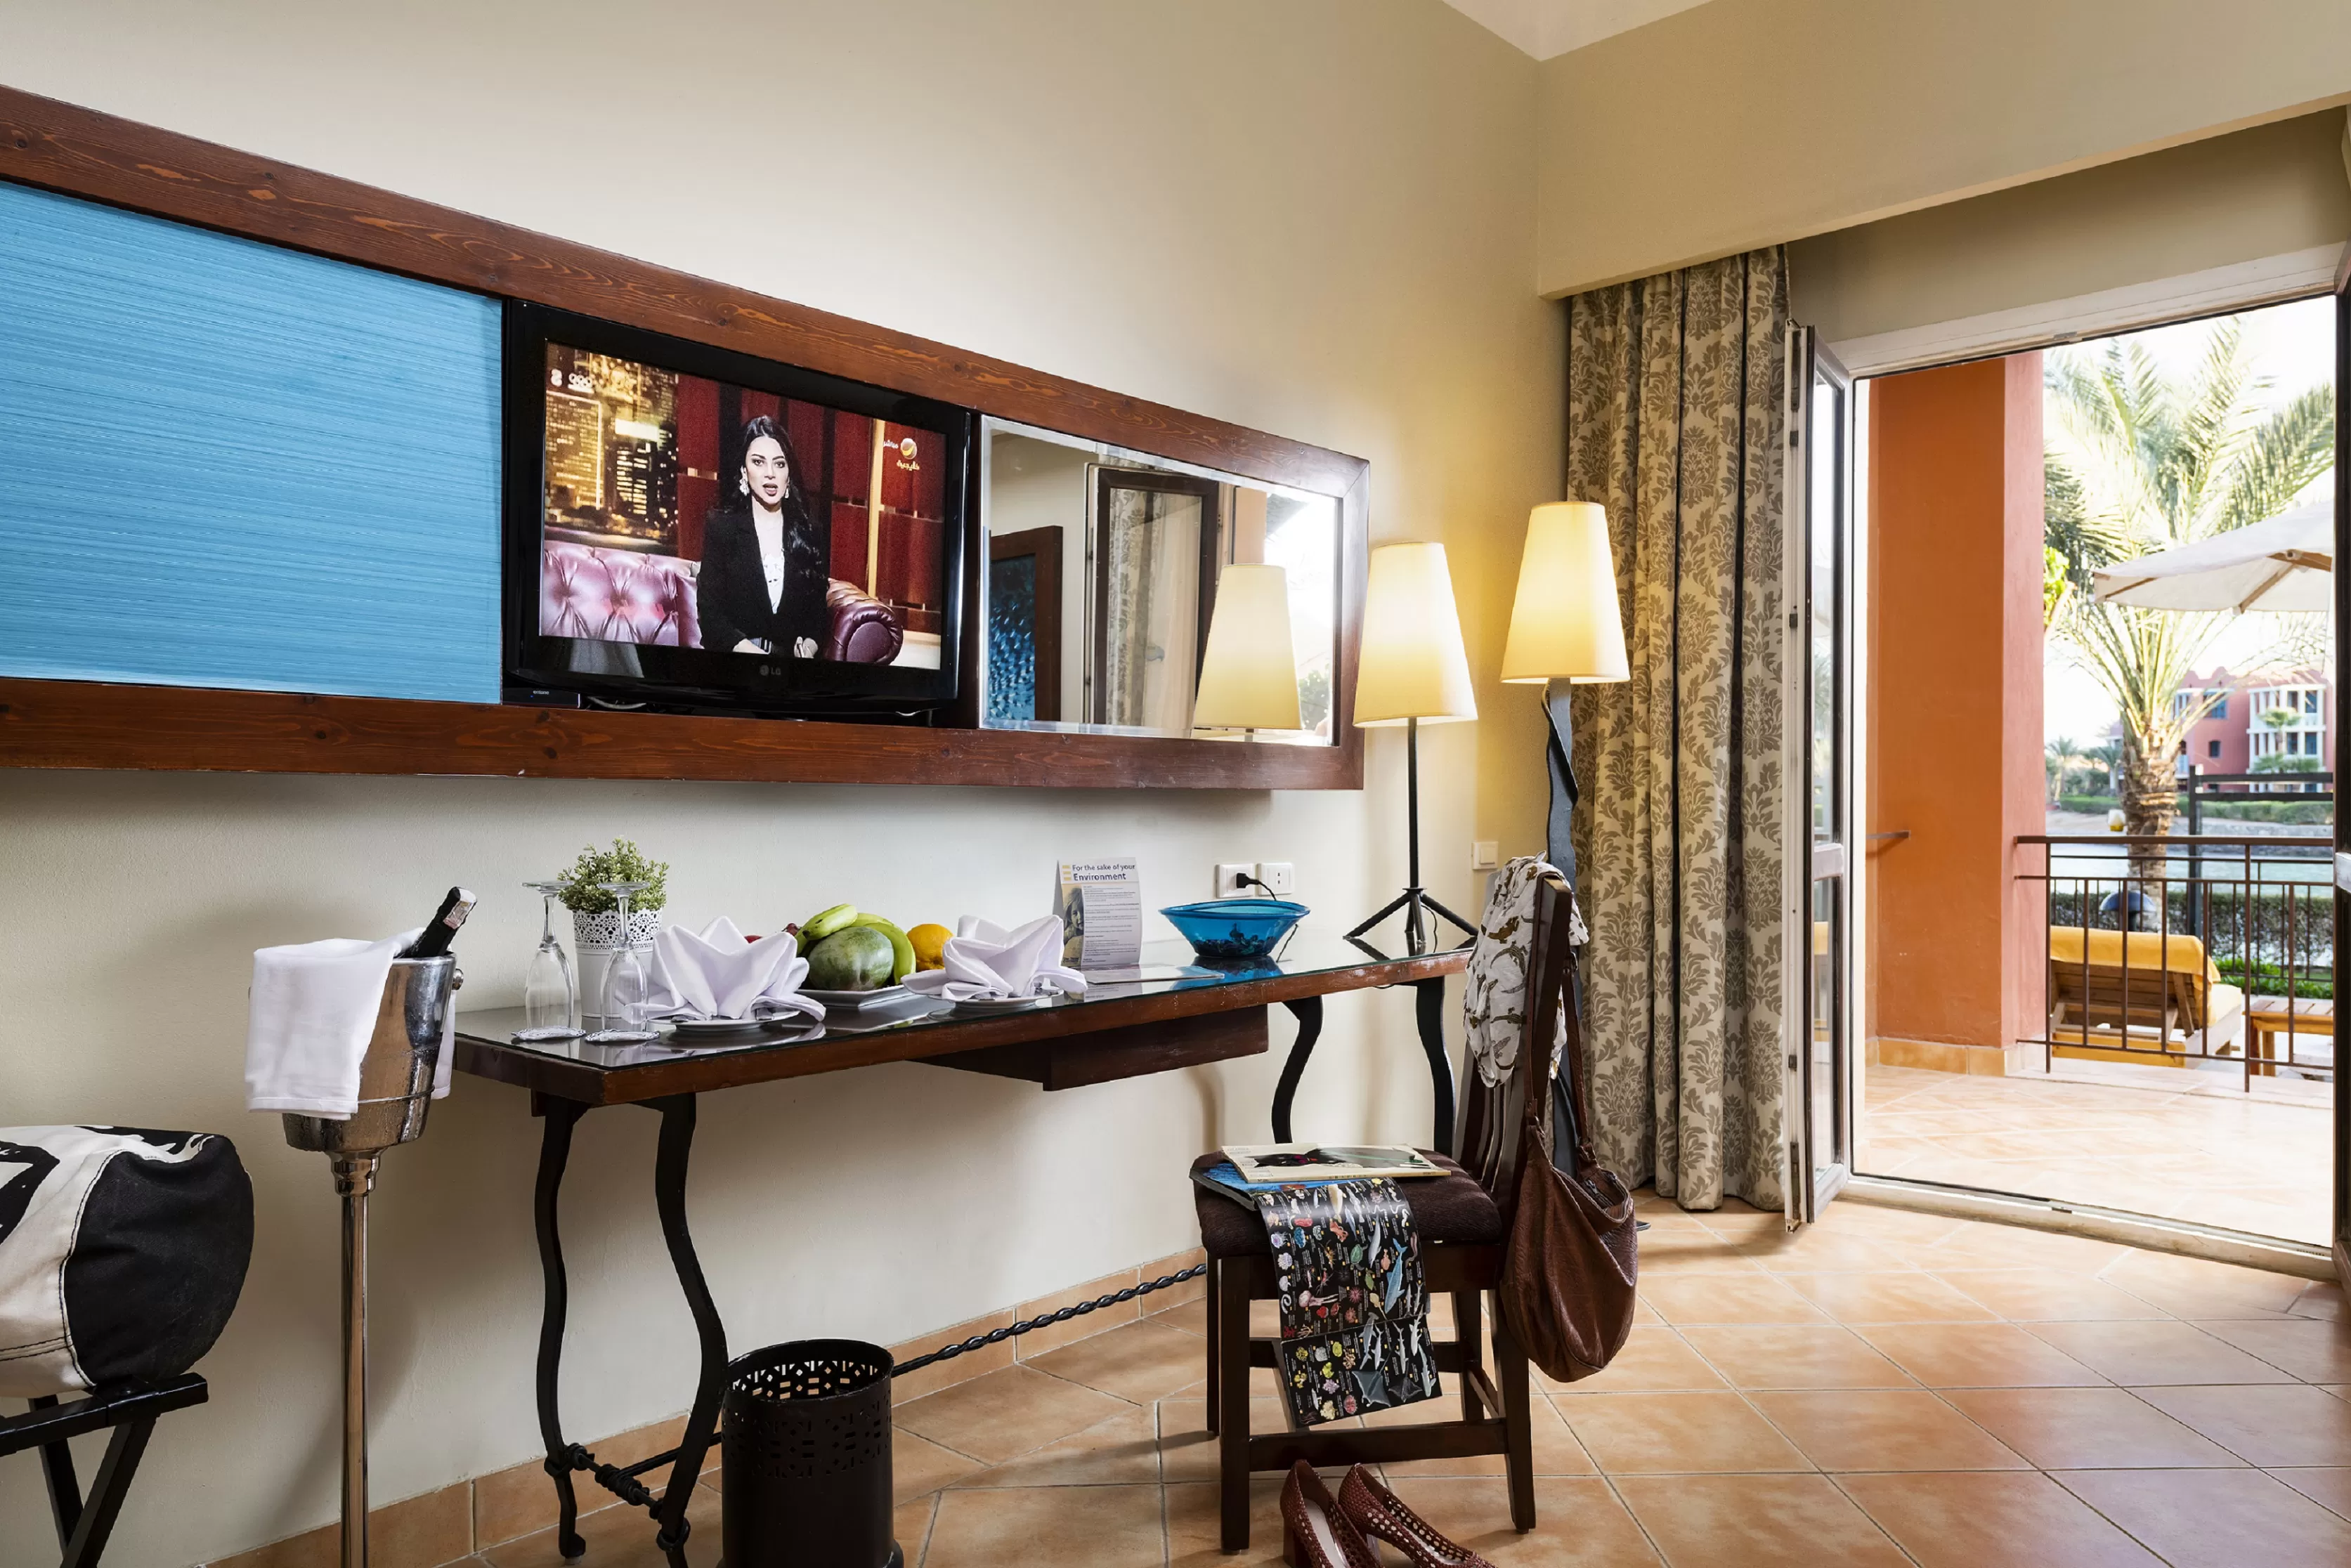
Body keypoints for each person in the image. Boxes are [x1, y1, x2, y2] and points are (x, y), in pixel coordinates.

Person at [698, 414, 830, 658]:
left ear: (788, 474)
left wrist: (808, 649)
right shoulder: (722, 527)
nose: (770, 473)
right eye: (758, 462)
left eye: (779, 464)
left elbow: (818, 615)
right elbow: (710, 615)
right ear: (744, 471)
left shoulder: (809, 533)